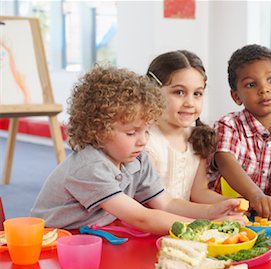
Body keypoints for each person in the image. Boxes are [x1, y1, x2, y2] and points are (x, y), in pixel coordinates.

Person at [30, 65, 243, 235]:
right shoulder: (90, 167)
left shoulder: (136, 158)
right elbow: (141, 217)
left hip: (91, 236)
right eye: (131, 133)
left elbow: (165, 203)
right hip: (54, 242)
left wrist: (211, 212)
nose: (142, 142)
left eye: (146, 131)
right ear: (97, 130)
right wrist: (207, 227)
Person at [208, 44, 271, 220]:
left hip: (270, 218)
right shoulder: (228, 126)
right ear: (236, 96)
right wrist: (255, 195)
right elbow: (225, 161)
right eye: (251, 84)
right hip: (228, 214)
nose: (264, 89)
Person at [145, 50, 240, 204]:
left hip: (184, 220)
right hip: (152, 222)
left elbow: (199, 192)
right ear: (153, 91)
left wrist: (236, 203)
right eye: (179, 92)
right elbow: (153, 205)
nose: (190, 103)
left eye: (197, 94)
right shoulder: (145, 139)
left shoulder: (196, 136)